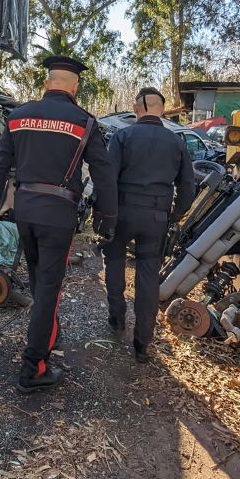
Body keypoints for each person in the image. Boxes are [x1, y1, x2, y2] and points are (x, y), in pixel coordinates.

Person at [0, 55, 117, 394]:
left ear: (46, 84)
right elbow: (103, 172)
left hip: (26, 213)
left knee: (39, 281)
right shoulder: (84, 122)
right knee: (48, 289)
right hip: (58, 217)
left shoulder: (17, 117)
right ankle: (34, 368)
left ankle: (46, 329)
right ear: (75, 88)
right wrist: (108, 216)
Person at [103, 87, 196, 363]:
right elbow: (188, 187)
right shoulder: (176, 142)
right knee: (147, 276)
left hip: (122, 212)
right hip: (156, 216)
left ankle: (117, 317)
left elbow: (107, 177)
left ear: (138, 107)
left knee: (115, 259)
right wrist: (174, 214)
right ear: (162, 109)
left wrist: (105, 212)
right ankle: (142, 343)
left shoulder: (123, 136)